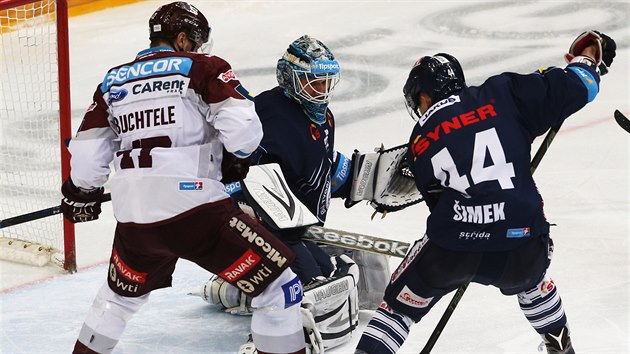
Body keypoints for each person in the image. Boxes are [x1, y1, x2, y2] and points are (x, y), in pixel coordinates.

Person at [60, 2, 307, 354]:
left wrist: (79, 192)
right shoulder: (203, 67)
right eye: (195, 41)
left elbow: (86, 162)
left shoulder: (112, 81)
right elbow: (244, 133)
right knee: (279, 289)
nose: (198, 48)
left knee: (118, 300)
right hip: (196, 210)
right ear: (181, 39)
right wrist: (234, 158)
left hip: (134, 219)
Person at [354, 30, 616, 354]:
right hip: (523, 243)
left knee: (398, 309)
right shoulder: (502, 94)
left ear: (423, 97)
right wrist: (589, 57)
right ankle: (560, 346)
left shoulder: (420, 139)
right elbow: (580, 86)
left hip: (455, 250)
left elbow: (438, 204)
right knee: (533, 280)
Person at [200, 35, 390, 352]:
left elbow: (318, 171)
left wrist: (368, 178)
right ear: (290, 79)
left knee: (349, 270)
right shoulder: (265, 115)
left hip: (296, 231)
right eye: (314, 82)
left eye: (327, 82)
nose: (322, 90)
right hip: (263, 231)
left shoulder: (322, 117)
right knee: (312, 283)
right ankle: (258, 327)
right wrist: (239, 205)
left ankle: (240, 290)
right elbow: (230, 167)